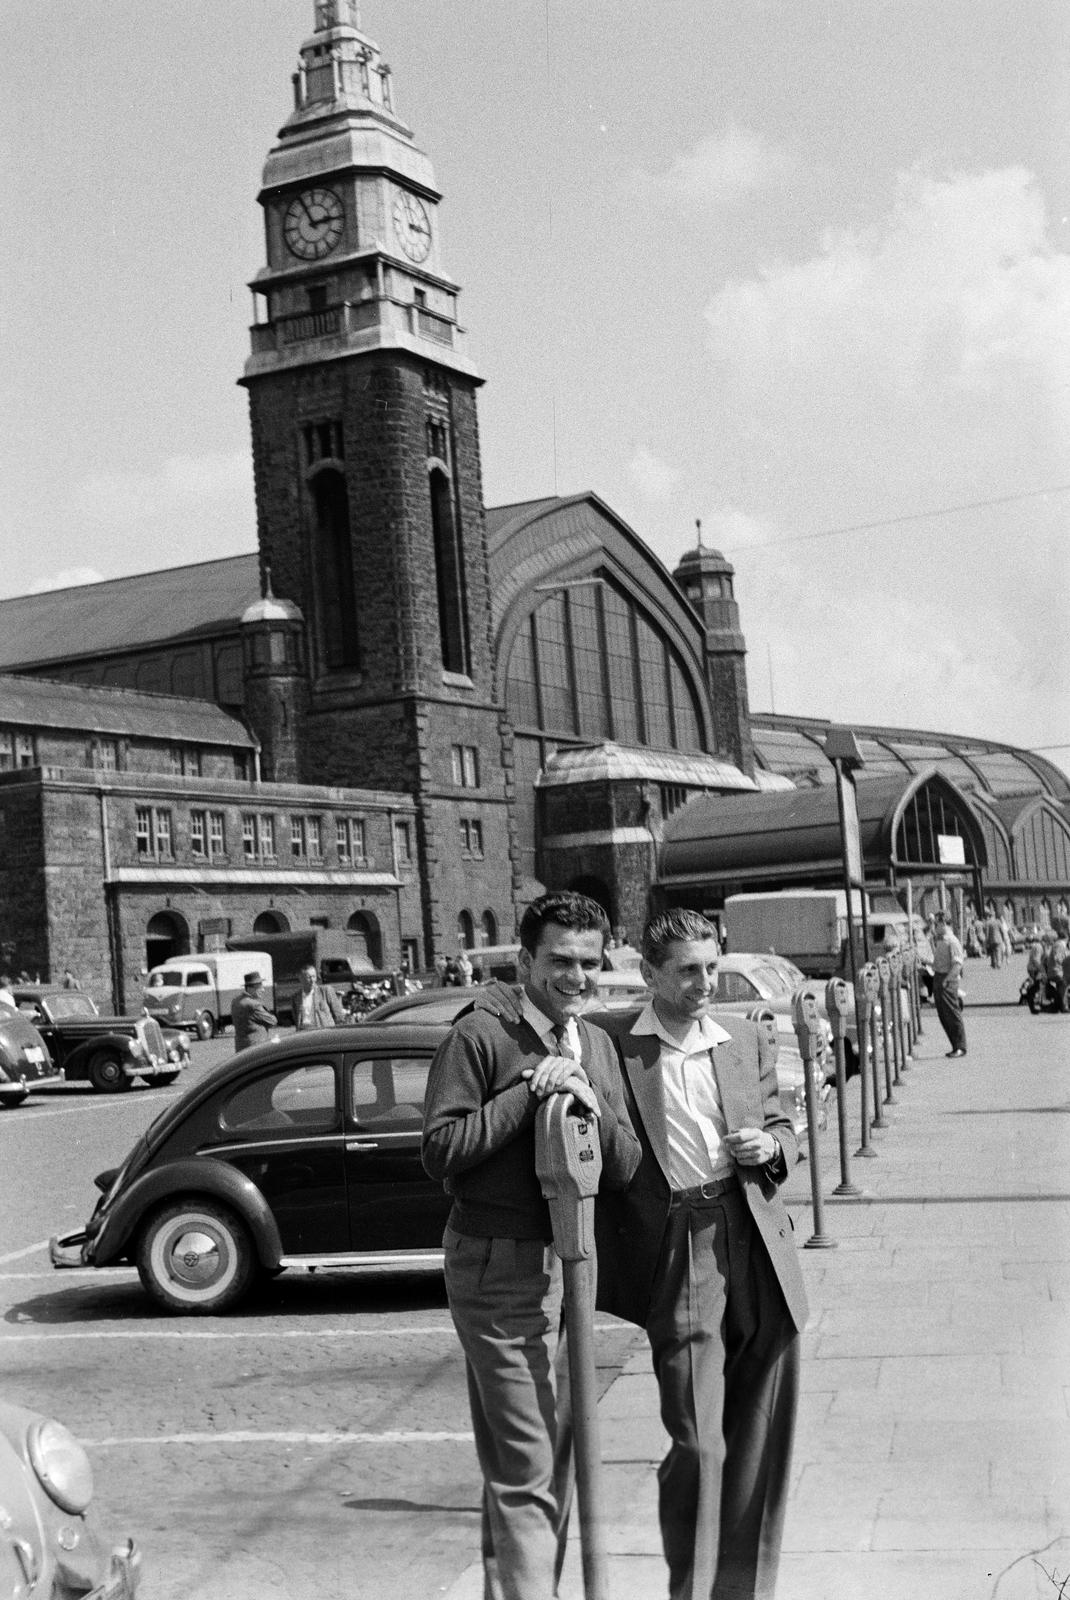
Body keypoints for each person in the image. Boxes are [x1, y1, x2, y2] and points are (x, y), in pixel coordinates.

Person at [421, 892, 641, 1600]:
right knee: (529, 1464)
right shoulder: (480, 1035)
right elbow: (440, 1151)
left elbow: (626, 1166)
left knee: (541, 1455)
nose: (576, 976)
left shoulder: (594, 1043)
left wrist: (587, 1093)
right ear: (524, 961)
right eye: (560, 961)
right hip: (497, 1265)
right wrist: (528, 1091)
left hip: (574, 1267)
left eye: (589, 962)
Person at [595, 909, 808, 1600]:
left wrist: (772, 1147)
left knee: (760, 1428)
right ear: (649, 974)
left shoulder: (743, 1037)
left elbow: (783, 1126)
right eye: (688, 970)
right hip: (681, 1244)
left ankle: (743, 1591)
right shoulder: (610, 1042)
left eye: (712, 967)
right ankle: (691, 1588)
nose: (705, 983)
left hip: (756, 1238)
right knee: (697, 1439)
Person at [931, 909, 967, 1058]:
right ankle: (954, 1045)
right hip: (939, 976)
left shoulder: (952, 941)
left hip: (947, 979)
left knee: (952, 1014)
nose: (935, 927)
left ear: (944, 923)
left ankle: (960, 1046)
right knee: (943, 1015)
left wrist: (947, 980)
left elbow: (957, 964)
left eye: (937, 924)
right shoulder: (941, 940)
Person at [230, 971, 277, 1053]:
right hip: (256, 1048)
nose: (263, 990)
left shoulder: (236, 1001)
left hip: (240, 1048)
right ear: (250, 989)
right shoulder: (253, 1005)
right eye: (260, 987)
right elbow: (272, 1021)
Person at [293, 961, 346, 1030]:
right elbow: (296, 1018)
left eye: (314, 976)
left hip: (323, 1032)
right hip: (304, 1033)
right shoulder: (296, 997)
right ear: (301, 979)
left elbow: (339, 1015)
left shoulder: (325, 991)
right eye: (308, 977)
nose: (312, 980)